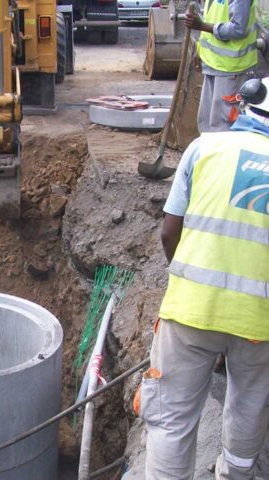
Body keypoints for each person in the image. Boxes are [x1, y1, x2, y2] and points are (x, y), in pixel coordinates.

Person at [140, 77, 269, 480]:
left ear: (244, 110)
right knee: (249, 405)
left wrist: (186, 281)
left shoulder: (204, 148)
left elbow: (168, 232)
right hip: (257, 321)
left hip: (190, 312)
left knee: (172, 419)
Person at [185, 0, 258, 133]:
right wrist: (199, 49)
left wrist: (203, 26)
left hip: (232, 69)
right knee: (206, 122)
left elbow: (238, 29)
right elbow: (212, 17)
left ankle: (223, 153)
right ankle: (209, 153)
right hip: (213, 65)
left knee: (224, 126)